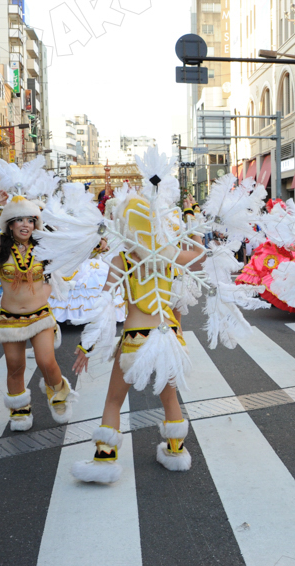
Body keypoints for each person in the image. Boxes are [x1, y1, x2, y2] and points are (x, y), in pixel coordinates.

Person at [71, 193, 206, 483]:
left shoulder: (123, 260)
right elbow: (200, 257)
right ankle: (175, 452)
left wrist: (87, 345)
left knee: (113, 401)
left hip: (135, 339)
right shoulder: (170, 254)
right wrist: (193, 224)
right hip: (167, 337)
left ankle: (104, 460)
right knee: (170, 398)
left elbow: (104, 307)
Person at [0, 156, 75, 432]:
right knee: (14, 366)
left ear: (35, 223)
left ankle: (58, 391)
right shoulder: (0, 244)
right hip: (10, 318)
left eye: (29, 220)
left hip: (40, 316)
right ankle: (19, 408)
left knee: (46, 361)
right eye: (18, 221)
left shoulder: (44, 245)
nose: (25, 224)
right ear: (10, 225)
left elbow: (75, 248)